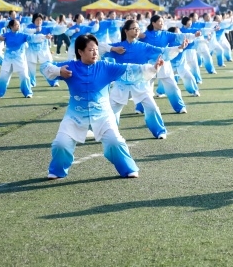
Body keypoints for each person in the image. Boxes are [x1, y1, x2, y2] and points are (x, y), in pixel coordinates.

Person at [40, 34, 162, 179]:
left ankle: (128, 168)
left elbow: (130, 69)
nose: (95, 53)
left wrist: (152, 68)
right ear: (80, 52)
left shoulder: (105, 66)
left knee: (114, 142)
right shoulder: (70, 67)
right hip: (74, 116)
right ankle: (57, 170)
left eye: (96, 49)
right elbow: (45, 66)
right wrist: (58, 71)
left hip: (103, 115)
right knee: (60, 144)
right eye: (91, 50)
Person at [104, 20, 182, 139]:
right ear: (126, 31)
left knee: (152, 107)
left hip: (140, 83)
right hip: (121, 85)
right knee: (111, 110)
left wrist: (179, 48)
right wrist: (113, 49)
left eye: (138, 29)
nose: (137, 31)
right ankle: (109, 133)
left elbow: (161, 51)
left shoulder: (144, 46)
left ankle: (159, 131)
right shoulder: (118, 47)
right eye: (134, 28)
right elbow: (98, 47)